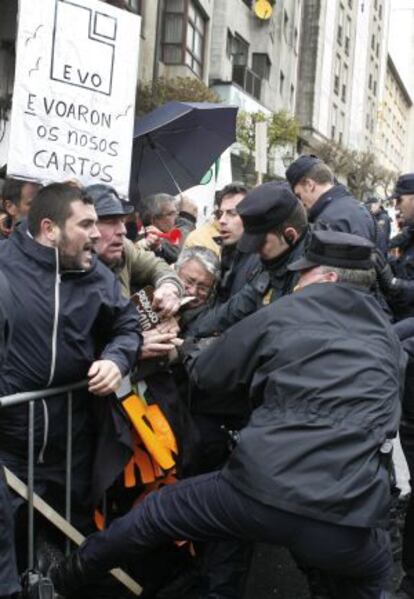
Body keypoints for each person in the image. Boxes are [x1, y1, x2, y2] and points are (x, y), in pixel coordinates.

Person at [50, 230, 403, 599]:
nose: (297, 281)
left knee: (157, 513)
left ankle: (60, 579)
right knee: (371, 577)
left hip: (263, 489)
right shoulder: (387, 338)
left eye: (305, 273)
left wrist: (183, 351)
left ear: (327, 278)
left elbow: (211, 373)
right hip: (347, 512)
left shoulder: (286, 311)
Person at [0, 183, 140, 529]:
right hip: (11, 451)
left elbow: (128, 324)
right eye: (86, 224)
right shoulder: (4, 266)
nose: (96, 234)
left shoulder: (95, 273)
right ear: (50, 229)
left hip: (73, 449)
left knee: (69, 541)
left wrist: (116, 360)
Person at [187, 181, 310, 338]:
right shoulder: (273, 261)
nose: (256, 251)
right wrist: (189, 335)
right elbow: (235, 309)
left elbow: (274, 341)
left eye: (261, 243)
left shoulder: (311, 278)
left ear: (290, 235)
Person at [285, 155, 376, 242]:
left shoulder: (326, 222)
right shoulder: (361, 209)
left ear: (309, 185)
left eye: (299, 195)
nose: (301, 202)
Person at [374, 174, 414, 320]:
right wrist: (385, 261)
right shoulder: (409, 233)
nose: (396, 206)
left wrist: (394, 283)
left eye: (399, 200)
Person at [213, 183, 260, 302]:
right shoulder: (227, 252)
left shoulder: (259, 261)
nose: (222, 220)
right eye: (220, 214)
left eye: (232, 213)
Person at [138, 193, 196, 264]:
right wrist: (187, 218)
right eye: (171, 214)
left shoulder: (166, 239)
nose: (177, 217)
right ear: (154, 220)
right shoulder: (147, 240)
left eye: (177, 213)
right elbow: (178, 254)